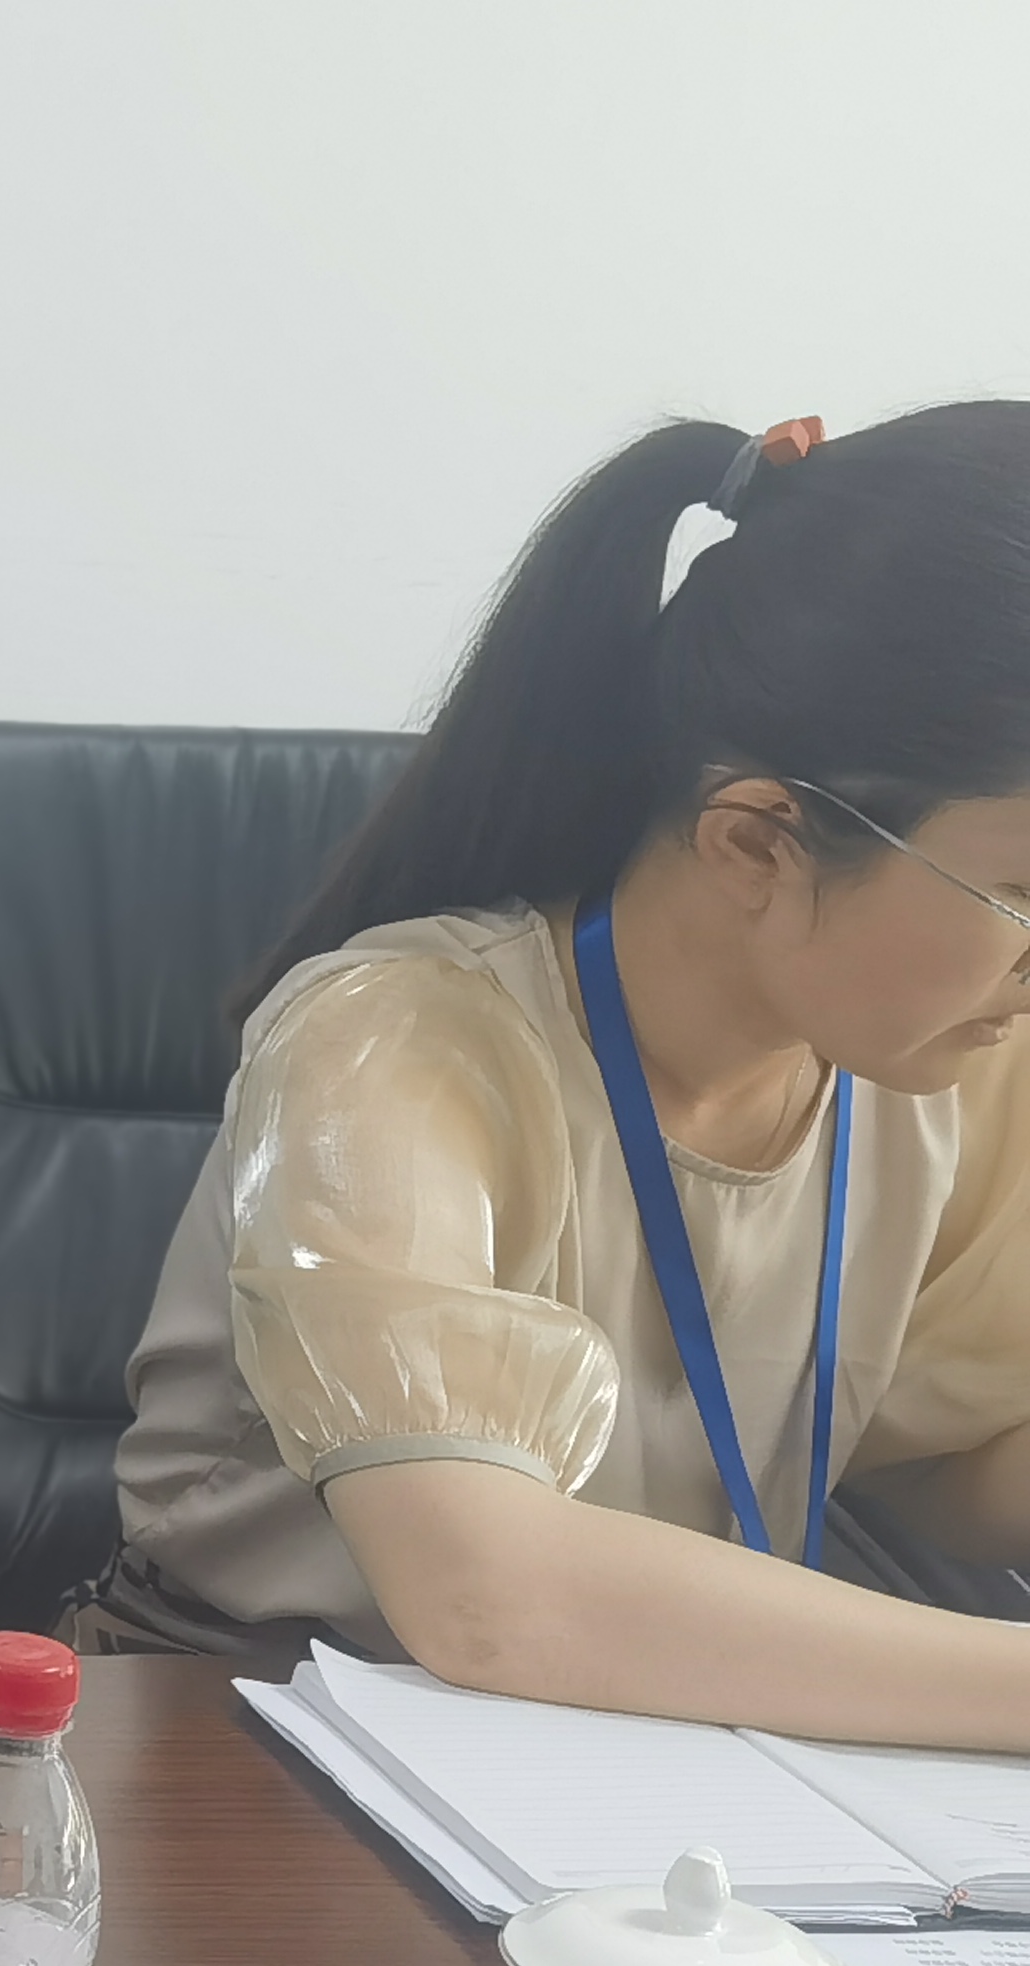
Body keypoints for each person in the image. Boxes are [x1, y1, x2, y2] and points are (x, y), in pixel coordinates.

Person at [94, 403, 1030, 1749]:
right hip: (253, 1736)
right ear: (757, 844)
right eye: (1024, 894)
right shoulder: (395, 1042)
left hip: (648, 1749)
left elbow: (935, 1468)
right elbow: (491, 1601)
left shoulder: (940, 1058)